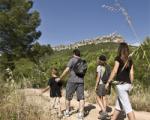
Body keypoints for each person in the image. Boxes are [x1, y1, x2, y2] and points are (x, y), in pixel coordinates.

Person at [105, 42, 136, 120]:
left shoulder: (118, 58)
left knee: (128, 108)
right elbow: (132, 73)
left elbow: (115, 71)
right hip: (128, 85)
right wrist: (130, 84)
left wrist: (108, 82)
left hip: (121, 85)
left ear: (120, 50)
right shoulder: (130, 60)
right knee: (118, 106)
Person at [56, 49, 87, 120]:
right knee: (81, 98)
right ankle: (81, 114)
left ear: (74, 54)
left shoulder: (72, 60)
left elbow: (67, 70)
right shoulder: (83, 61)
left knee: (68, 97)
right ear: (79, 54)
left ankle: (67, 111)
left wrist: (60, 78)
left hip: (72, 81)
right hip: (81, 81)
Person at [95, 55, 111, 119]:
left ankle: (104, 112)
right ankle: (104, 110)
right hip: (106, 84)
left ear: (100, 60)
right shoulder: (107, 66)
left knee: (97, 97)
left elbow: (98, 77)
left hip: (101, 84)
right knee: (104, 97)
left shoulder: (99, 67)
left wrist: (96, 85)